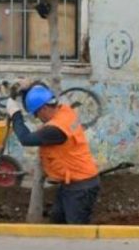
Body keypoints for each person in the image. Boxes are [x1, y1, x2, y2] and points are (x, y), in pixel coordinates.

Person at [6, 83, 100, 224]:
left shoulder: (56, 129)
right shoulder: (65, 111)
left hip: (80, 187)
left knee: (77, 232)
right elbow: (42, 94)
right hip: (72, 183)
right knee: (57, 223)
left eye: (37, 114)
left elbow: (26, 139)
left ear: (44, 108)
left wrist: (16, 115)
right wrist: (26, 90)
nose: (37, 118)